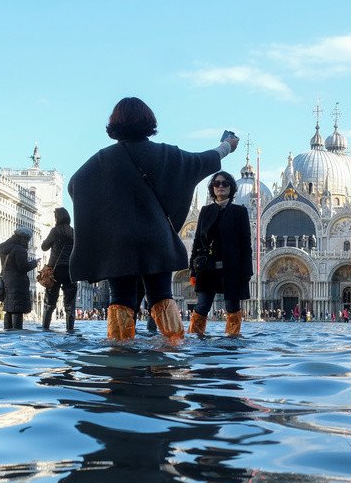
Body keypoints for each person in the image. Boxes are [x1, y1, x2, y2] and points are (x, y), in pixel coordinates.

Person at [67, 97, 237, 342]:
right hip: (156, 240)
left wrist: (107, 213)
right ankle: (172, 350)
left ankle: (120, 355)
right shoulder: (167, 155)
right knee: (161, 295)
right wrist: (227, 145)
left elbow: (75, 186)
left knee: (120, 298)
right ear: (149, 121)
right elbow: (203, 160)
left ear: (114, 124)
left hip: (119, 244)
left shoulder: (101, 160)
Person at [188, 171, 253, 337]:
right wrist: (192, 270)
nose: (221, 186)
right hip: (207, 269)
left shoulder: (240, 212)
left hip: (231, 269)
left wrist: (246, 272)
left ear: (231, 187)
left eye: (225, 183)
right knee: (202, 306)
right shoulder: (205, 211)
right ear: (212, 188)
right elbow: (197, 242)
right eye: (217, 183)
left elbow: (246, 244)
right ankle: (195, 339)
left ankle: (232, 340)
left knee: (232, 307)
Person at [40, 207, 78, 332]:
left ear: (58, 218)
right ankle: (70, 329)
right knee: (70, 303)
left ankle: (45, 328)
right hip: (70, 270)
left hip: (55, 271)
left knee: (50, 301)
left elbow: (44, 247)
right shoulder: (73, 232)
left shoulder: (55, 231)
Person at [0, 227, 39, 330]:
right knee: (17, 310)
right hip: (17, 283)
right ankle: (17, 335)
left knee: (9, 309)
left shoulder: (6, 248)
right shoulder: (19, 249)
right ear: (23, 238)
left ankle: (7, 334)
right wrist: (34, 263)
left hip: (7, 280)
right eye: (27, 240)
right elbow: (23, 267)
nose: (28, 242)